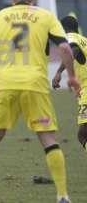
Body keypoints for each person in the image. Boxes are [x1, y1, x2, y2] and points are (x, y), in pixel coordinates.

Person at [0, 0, 80, 203]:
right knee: (48, 139)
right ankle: (63, 196)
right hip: (35, 84)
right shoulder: (45, 16)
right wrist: (72, 77)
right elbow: (65, 48)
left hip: (5, 84)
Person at [52, 16, 87, 156]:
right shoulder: (84, 40)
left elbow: (72, 51)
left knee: (83, 135)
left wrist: (60, 72)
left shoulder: (69, 38)